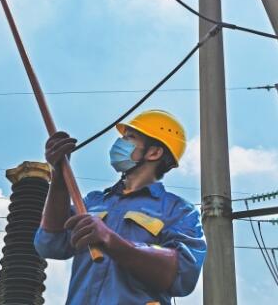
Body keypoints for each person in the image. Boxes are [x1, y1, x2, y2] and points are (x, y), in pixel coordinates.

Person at [34, 110, 206, 305]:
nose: (120, 143)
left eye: (130, 138)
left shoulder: (179, 211)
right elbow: (49, 244)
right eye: (123, 137)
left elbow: (181, 275)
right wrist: (58, 177)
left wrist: (109, 240)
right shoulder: (93, 202)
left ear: (154, 152)